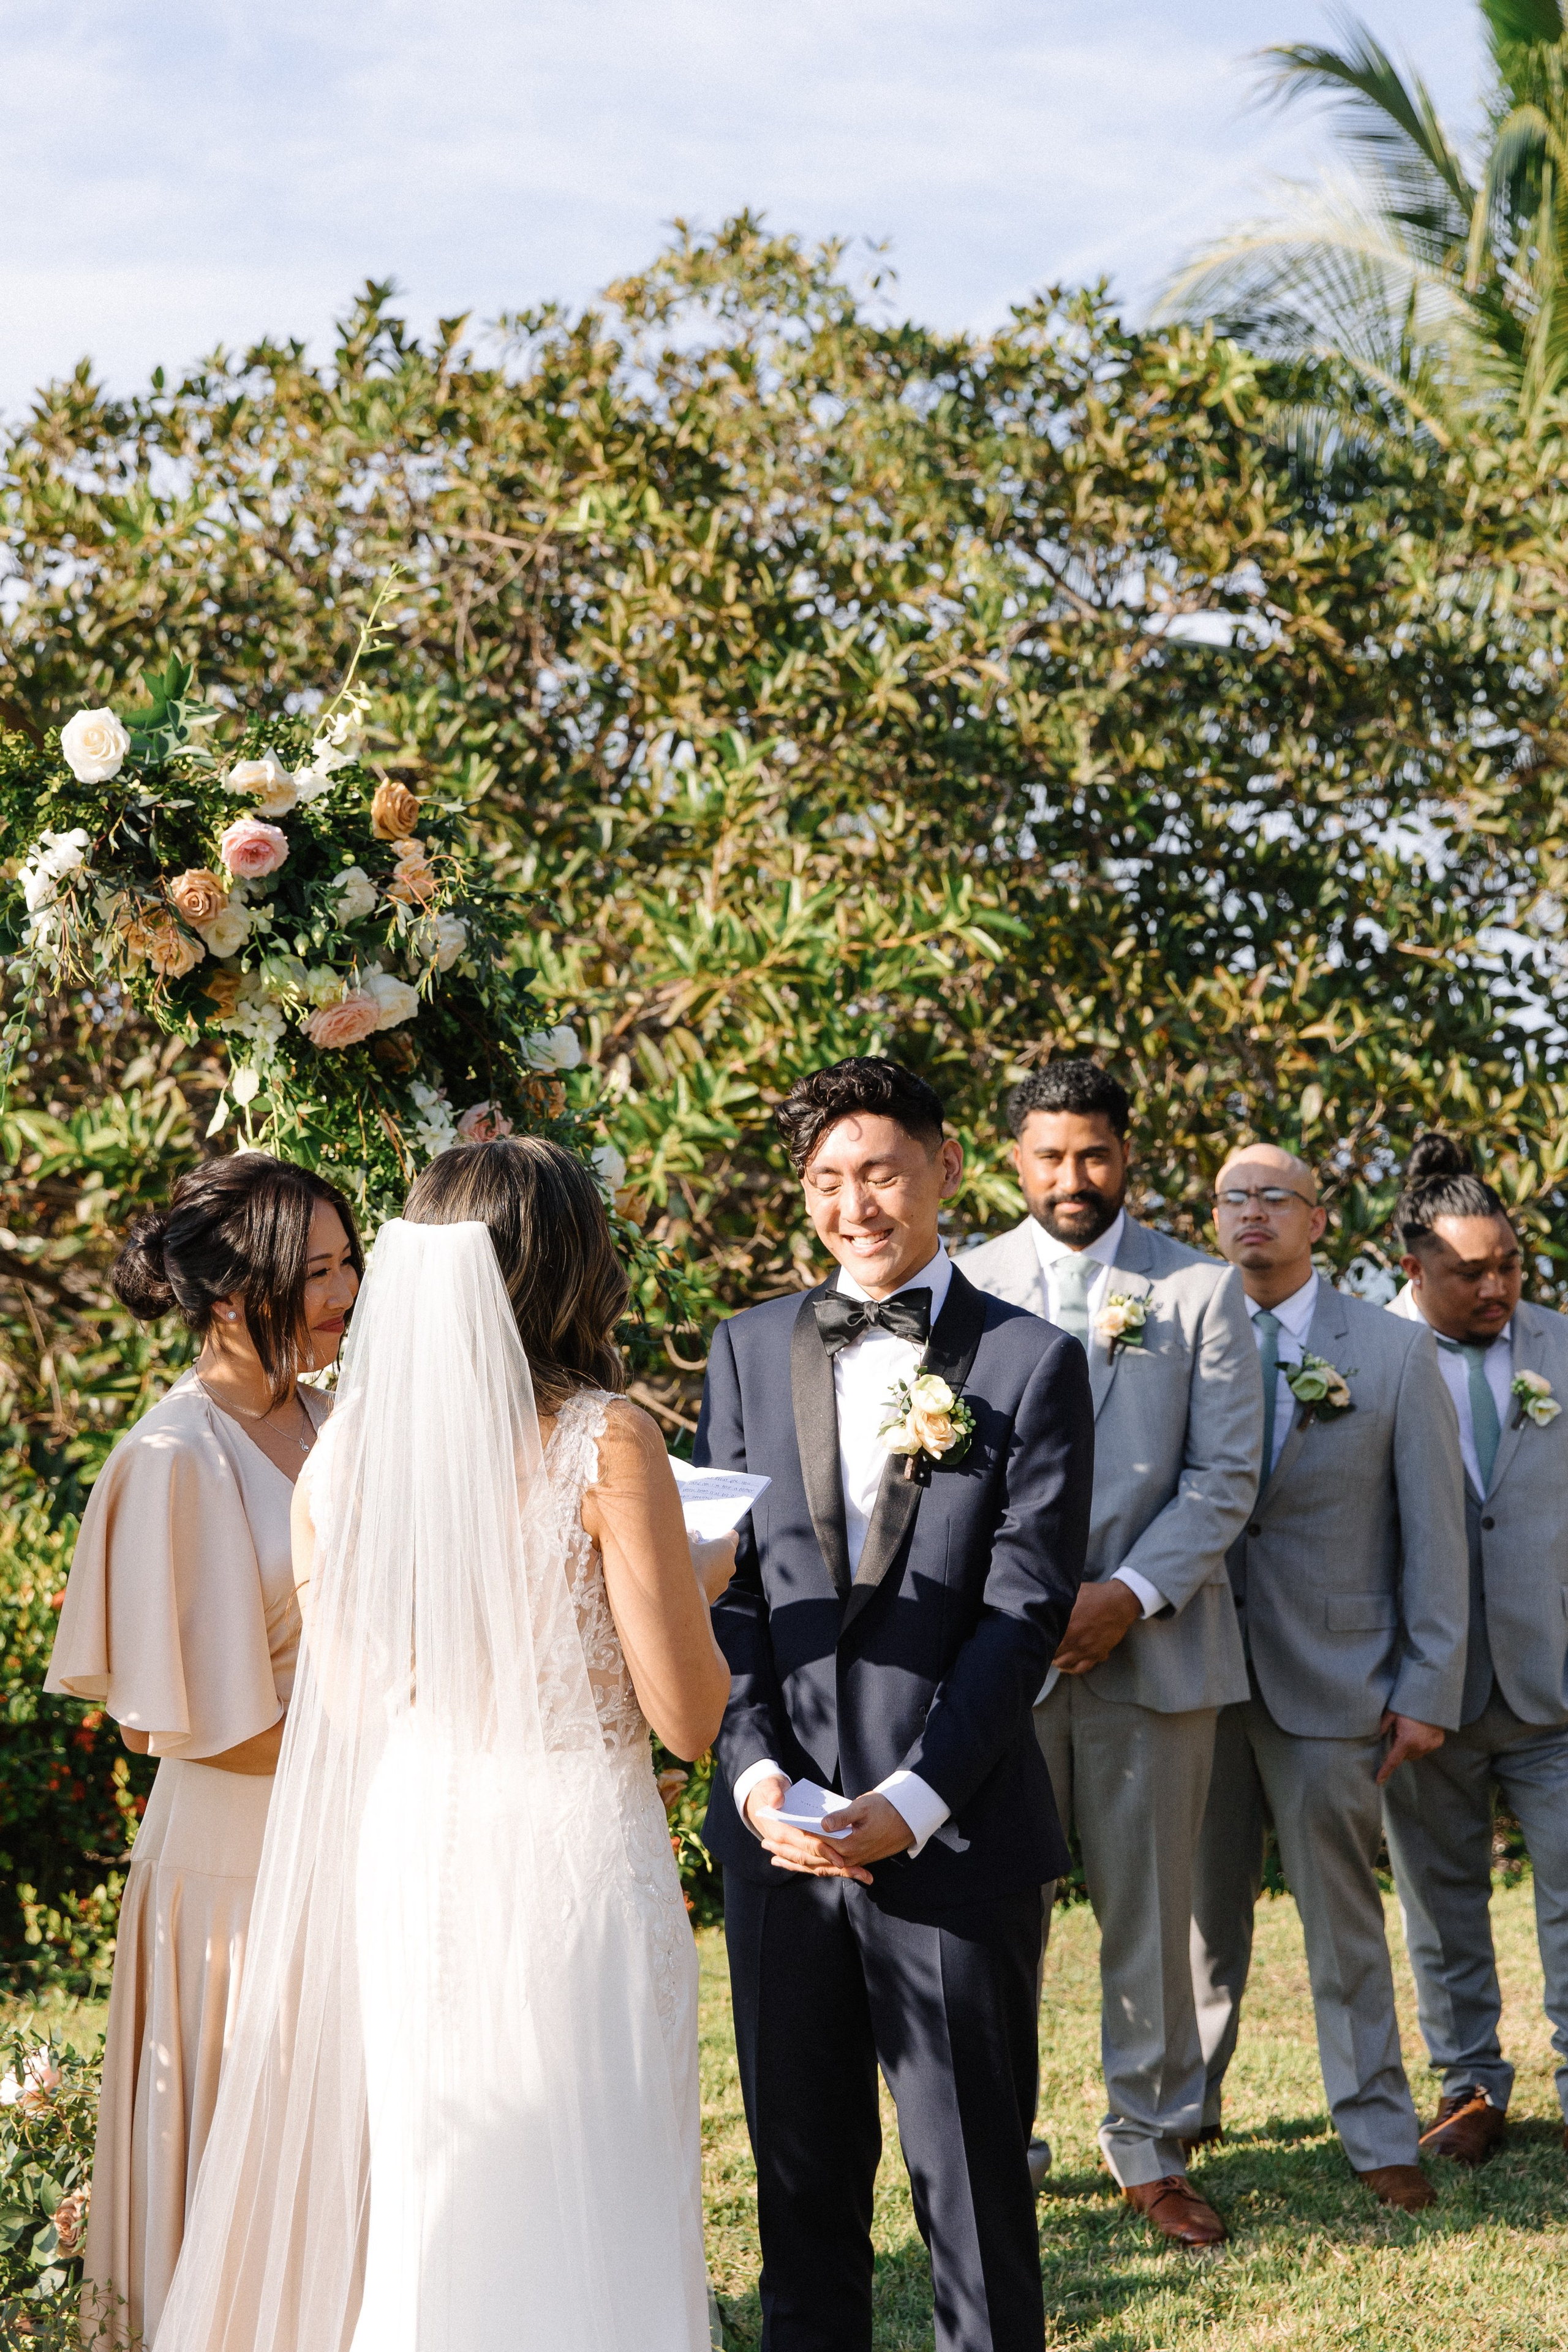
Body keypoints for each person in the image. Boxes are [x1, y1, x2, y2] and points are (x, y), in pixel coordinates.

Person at [154, 1136, 733, 2352]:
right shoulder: (606, 1442)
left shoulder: (344, 1457)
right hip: (572, 1853)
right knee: (592, 2182)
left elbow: (356, 1710)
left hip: (416, 1852)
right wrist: (697, 1577)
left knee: (445, 2190)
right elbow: (688, 1718)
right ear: (569, 1264)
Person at [696, 1057, 1092, 2352]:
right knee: (799, 2187)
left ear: (942, 1171)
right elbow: (731, 1594)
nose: (852, 1206)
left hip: (954, 1831)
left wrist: (910, 1799)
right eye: (823, 1181)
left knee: (972, 2190)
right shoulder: (746, 1348)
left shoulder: (1029, 1363)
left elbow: (1022, 1610)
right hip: (780, 1841)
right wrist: (759, 1779)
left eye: (877, 1173)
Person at [44, 1152, 363, 2345]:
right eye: (314, 1272)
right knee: (247, 2151)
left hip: (350, 1840)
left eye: (347, 1265)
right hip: (240, 1870)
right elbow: (175, 1722)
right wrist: (395, 1747)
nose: (342, 1294)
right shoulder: (176, 1457)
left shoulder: (336, 1417)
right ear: (231, 1294)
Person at [963, 1058, 1261, 2250]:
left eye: (1092, 1154)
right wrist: (1028, 1605)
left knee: (1152, 1909)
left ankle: (1148, 2142)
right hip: (998, 1653)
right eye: (1048, 1156)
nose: (1070, 1178)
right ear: (1011, 1160)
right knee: (996, 1911)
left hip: (1154, 1646)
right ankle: (1001, 2138)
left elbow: (1222, 1474)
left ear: (1124, 1154)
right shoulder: (968, 1281)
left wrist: (1123, 1595)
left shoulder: (1197, 1286)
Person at [1189, 1141, 1467, 2213]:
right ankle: (1182, 2106)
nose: (1251, 1214)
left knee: (1342, 1918)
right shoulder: (1176, 1335)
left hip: (1338, 1678)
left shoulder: (1394, 1354)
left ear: (1318, 1218)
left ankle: (1378, 2128)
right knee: (1197, 1916)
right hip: (1199, 1671)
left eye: (1274, 1197)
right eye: (1233, 1198)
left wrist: (1427, 1687)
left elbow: (1438, 1539)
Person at [1382, 1133, 1568, 2167]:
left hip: (1557, 1680)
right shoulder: (1365, 1353)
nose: (1496, 1286)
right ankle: (1470, 2090)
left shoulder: (1562, 1347)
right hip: (1424, 1687)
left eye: (1509, 1264)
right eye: (1469, 1272)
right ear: (1415, 1269)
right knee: (1441, 1897)